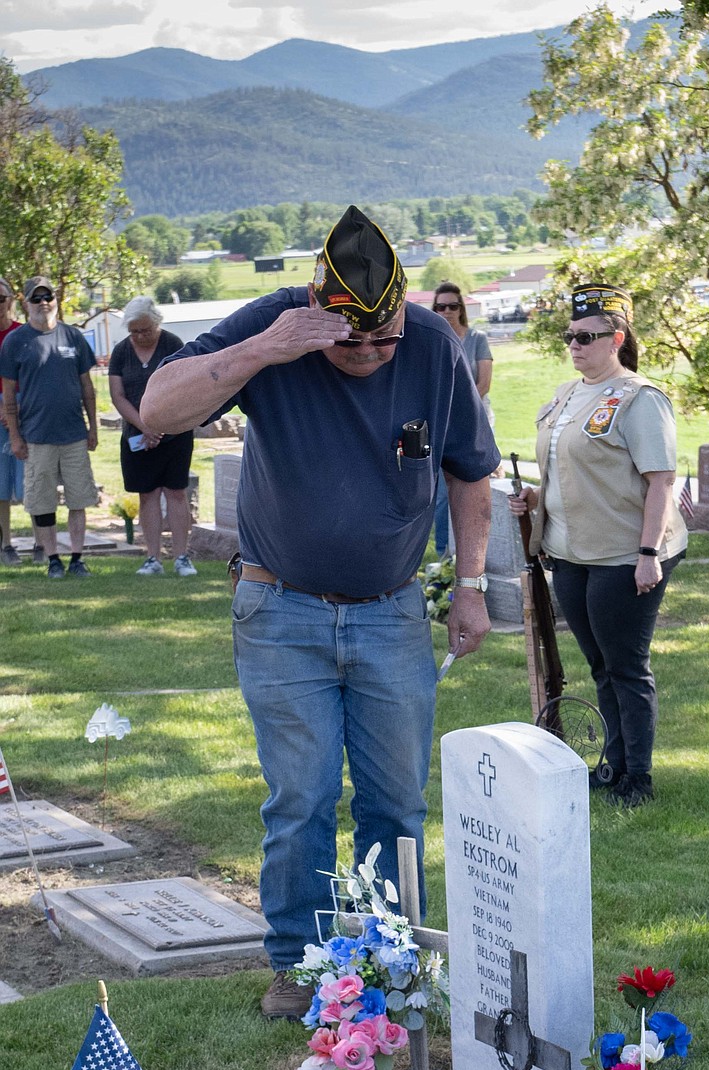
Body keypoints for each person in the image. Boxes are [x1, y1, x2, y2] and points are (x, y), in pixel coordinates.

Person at [140, 205, 499, 1018]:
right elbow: (159, 409)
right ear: (314, 307)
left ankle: (387, 961)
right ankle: (301, 966)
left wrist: (470, 586)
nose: (370, 353)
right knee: (300, 797)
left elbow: (469, 472)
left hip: (391, 612)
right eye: (350, 339)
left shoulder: (431, 344)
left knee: (395, 799)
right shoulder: (274, 327)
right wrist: (271, 347)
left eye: (383, 339)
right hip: (281, 610)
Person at [510, 284, 686, 808]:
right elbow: (572, 471)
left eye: (587, 336)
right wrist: (535, 497)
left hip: (624, 556)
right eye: (570, 336)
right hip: (570, 553)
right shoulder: (567, 396)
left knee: (625, 667)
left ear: (618, 338)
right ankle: (614, 765)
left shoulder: (640, 398)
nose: (575, 345)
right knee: (600, 665)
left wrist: (649, 555)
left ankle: (639, 779)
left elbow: (660, 481)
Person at [0, 276, 99, 579]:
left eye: (48, 297)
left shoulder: (73, 337)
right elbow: (8, 395)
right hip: (36, 436)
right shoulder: (15, 341)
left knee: (78, 497)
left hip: (73, 434)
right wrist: (15, 436)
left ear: (56, 300)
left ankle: (77, 558)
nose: (43, 303)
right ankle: (53, 559)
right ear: (26, 303)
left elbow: (88, 388)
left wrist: (93, 427)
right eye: (36, 298)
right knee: (42, 500)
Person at [108, 296, 197, 577]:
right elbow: (117, 396)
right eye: (134, 331)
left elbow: (186, 387)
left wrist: (163, 425)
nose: (140, 336)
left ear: (156, 323)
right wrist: (146, 426)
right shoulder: (121, 352)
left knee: (176, 492)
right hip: (137, 436)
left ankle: (182, 557)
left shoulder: (173, 345)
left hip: (175, 434)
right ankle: (152, 558)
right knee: (147, 495)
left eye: (145, 330)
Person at [430, 282, 493, 557]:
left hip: (473, 422)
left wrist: (460, 415)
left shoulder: (476, 339)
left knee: (475, 487)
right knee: (443, 494)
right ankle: (445, 555)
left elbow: (484, 384)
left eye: (452, 306)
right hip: (440, 426)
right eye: (440, 306)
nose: (446, 311)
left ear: (461, 309)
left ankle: (477, 553)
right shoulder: (432, 341)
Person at [0, 277, 27, 567]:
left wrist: (14, 411)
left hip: (24, 414)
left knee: (30, 482)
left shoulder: (22, 335)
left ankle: (39, 543)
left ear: (10, 300)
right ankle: (6, 544)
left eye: (1, 297)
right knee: (0, 487)